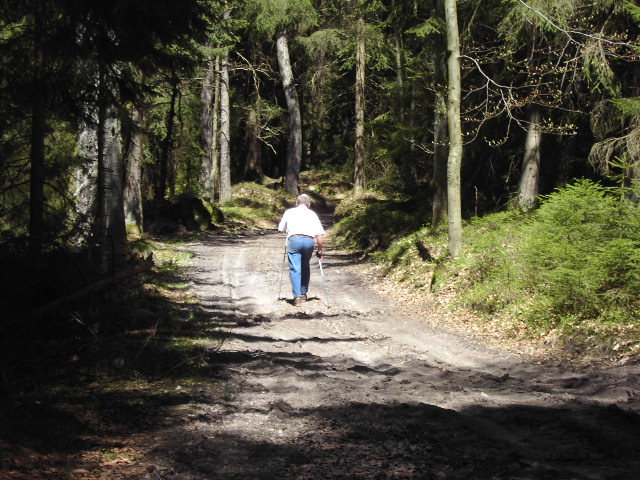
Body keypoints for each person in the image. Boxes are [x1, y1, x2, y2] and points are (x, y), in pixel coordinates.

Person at [278, 193, 325, 306]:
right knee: (305, 266)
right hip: (309, 241)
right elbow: (319, 236)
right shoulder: (313, 214)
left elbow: (280, 229)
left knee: (295, 268)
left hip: (294, 240)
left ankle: (297, 297)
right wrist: (320, 251)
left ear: (296, 203)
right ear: (309, 205)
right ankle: (304, 294)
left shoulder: (289, 212)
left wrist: (289, 231)